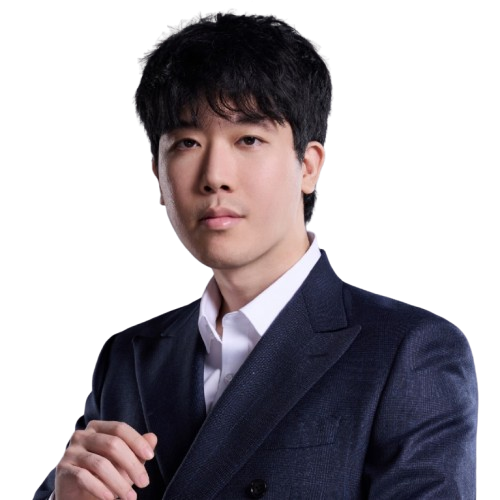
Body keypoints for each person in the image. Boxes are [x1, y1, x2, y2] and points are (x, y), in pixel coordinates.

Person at [33, 11, 478, 500]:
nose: (214, 176)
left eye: (248, 139)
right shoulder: (128, 356)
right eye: (186, 142)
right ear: (158, 176)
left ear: (308, 166)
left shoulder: (408, 351)